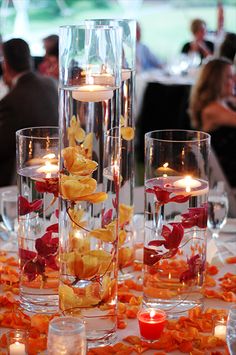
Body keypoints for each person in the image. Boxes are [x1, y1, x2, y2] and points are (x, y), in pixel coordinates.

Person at [0, 38, 58, 186]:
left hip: (26, 177)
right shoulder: (50, 83)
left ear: (5, 64)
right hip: (55, 161)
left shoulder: (11, 100)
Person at [189, 57, 236, 186]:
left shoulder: (226, 102)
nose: (234, 81)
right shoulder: (212, 110)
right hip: (226, 176)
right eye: (229, 77)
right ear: (217, 81)